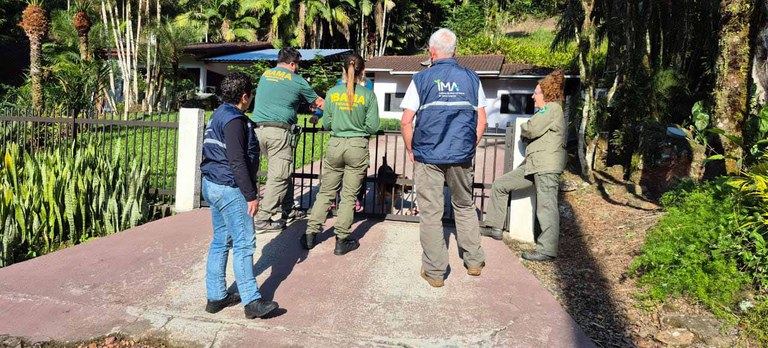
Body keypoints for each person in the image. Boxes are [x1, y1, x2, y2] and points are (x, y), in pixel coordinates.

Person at [401, 28, 488, 288]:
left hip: (428, 155)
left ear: (431, 51)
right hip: (461, 155)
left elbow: (407, 120)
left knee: (431, 213)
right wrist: (469, 146)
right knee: (464, 206)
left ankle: (435, 272)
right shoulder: (472, 79)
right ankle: (473, 261)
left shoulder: (421, 79)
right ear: (455, 51)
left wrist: (410, 149)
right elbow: (481, 120)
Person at [200, 72, 279, 319]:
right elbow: (237, 161)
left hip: (212, 183)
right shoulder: (235, 120)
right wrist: (250, 196)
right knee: (244, 244)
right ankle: (252, 301)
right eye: (251, 94)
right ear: (244, 96)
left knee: (221, 241)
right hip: (229, 187)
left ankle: (216, 297)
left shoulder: (220, 113)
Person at [479, 70, 566, 262]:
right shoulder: (548, 110)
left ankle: (547, 250)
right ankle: (494, 226)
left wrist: (525, 128)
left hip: (545, 166)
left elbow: (531, 128)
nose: (533, 97)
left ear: (547, 93)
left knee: (546, 207)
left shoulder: (551, 108)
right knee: (500, 185)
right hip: (532, 165)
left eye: (536, 93)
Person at [302, 53, 380, 255]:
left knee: (326, 191)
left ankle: (311, 234)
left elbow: (327, 123)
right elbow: (372, 127)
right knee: (349, 195)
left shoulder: (332, 93)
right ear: (363, 71)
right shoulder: (368, 95)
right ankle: (342, 238)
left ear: (343, 71)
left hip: (335, 145)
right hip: (357, 146)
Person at [251, 48, 325, 233]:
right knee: (280, 175)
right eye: (298, 65)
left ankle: (289, 208)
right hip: (279, 133)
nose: (298, 68)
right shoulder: (297, 80)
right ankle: (263, 218)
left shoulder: (265, 75)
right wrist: (318, 112)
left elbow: (279, 97)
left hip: (258, 131)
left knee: (282, 171)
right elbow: (321, 103)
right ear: (293, 64)